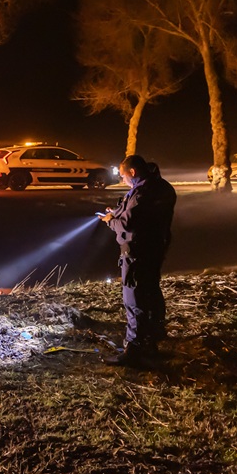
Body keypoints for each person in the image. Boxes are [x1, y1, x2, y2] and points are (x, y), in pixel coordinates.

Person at [97, 155, 177, 367]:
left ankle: (134, 349)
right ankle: (152, 342)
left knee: (134, 298)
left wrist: (111, 220)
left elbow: (129, 224)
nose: (123, 181)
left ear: (132, 172)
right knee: (151, 292)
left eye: (123, 176)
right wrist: (117, 212)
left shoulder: (142, 192)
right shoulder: (162, 187)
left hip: (137, 252)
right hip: (156, 249)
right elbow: (142, 215)